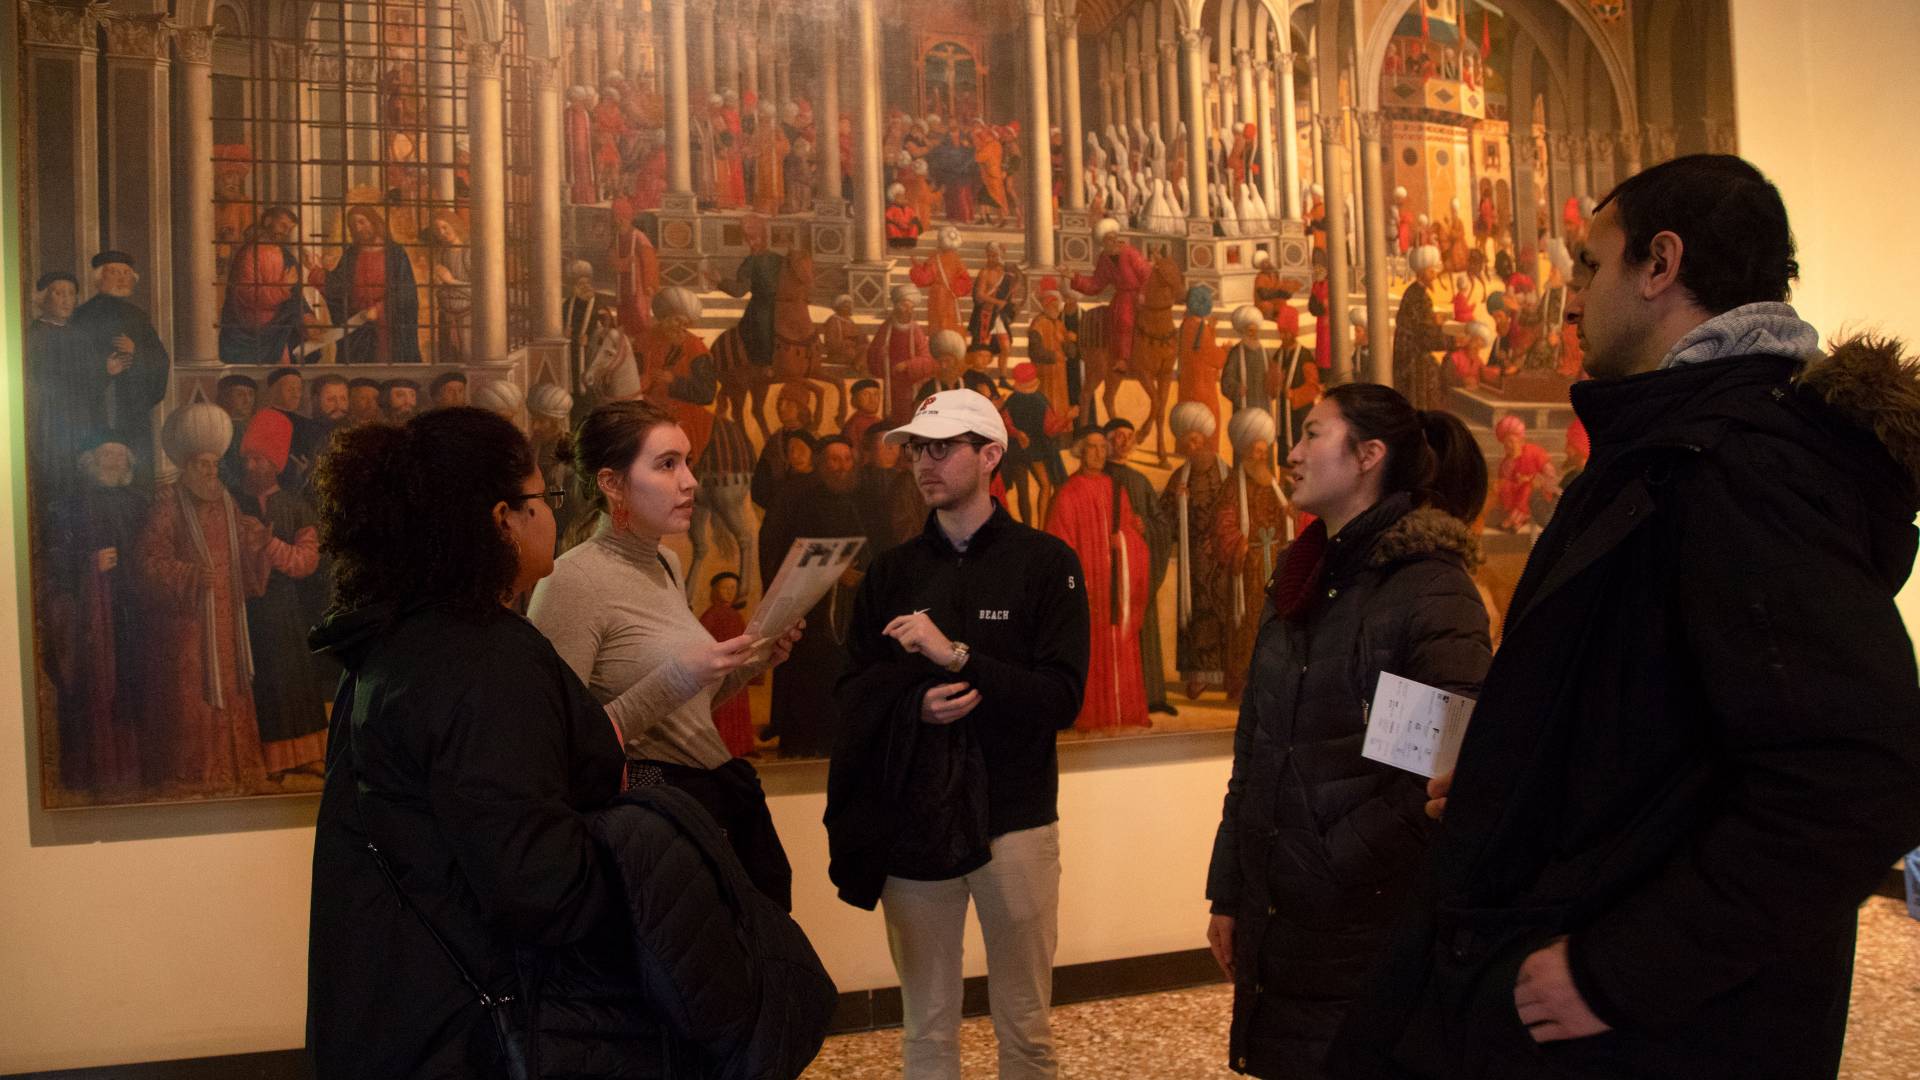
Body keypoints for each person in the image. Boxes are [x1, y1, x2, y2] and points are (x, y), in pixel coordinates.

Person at [1331, 155, 1920, 1080]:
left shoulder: (1742, 465)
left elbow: (1856, 775)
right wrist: (1511, 765)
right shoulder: (1669, 445)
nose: (1568, 298)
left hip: (1649, 1029)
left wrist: (1620, 973)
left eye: (1587, 265)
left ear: (1661, 266)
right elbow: (1662, 719)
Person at [1205, 385, 1492, 1080]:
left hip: (1366, 927)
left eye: (1311, 434)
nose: (1293, 454)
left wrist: (1322, 865)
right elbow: (1257, 750)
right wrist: (1230, 890)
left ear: (1369, 455)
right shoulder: (1301, 578)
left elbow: (1435, 777)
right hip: (1283, 918)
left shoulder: (1427, 590)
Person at [828, 388, 1090, 1080]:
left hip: (1016, 824)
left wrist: (960, 658)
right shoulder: (891, 574)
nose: (923, 462)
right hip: (916, 829)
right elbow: (851, 695)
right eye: (917, 448)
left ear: (991, 455)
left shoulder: (1047, 563)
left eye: (942, 447)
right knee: (928, 1032)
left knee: (1026, 1031)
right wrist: (914, 708)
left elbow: (1061, 698)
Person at [529, 400, 801, 907]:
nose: (690, 481)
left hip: (712, 806)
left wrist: (755, 663)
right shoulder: (571, 580)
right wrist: (676, 676)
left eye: (689, 462)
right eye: (667, 464)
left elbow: (684, 712)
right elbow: (560, 746)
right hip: (655, 828)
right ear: (612, 484)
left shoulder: (668, 565)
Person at [138, 403, 273, 798]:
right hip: (187, 621)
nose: (211, 471)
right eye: (202, 464)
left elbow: (240, 545)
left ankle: (233, 768)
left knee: (231, 688)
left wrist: (256, 543)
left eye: (215, 464)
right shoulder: (166, 502)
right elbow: (147, 560)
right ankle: (190, 773)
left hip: (227, 619)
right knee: (188, 692)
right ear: (186, 465)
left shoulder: (226, 501)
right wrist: (192, 575)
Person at [759, 435, 873, 759]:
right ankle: (802, 743)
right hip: (806, 609)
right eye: (834, 460)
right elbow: (776, 547)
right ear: (820, 463)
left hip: (846, 610)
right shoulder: (796, 497)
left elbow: (871, 547)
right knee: (806, 678)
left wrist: (860, 574)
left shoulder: (859, 498)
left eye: (846, 460)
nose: (841, 467)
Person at [45, 439, 148, 794]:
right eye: (107, 454)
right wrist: (90, 565)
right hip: (92, 613)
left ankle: (133, 773)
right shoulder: (70, 506)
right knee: (97, 687)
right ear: (89, 461)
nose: (115, 461)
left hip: (133, 608)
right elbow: (55, 564)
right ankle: (98, 773)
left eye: (121, 454)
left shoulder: (139, 503)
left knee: (133, 684)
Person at [231, 409, 327, 781]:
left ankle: (303, 756)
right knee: (261, 684)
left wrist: (268, 544)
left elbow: (307, 561)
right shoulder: (231, 503)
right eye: (248, 459)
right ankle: (264, 760)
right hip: (247, 611)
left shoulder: (297, 507)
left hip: (285, 610)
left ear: (276, 464)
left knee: (293, 682)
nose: (252, 466)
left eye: (259, 459)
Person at [1045, 426, 1150, 735]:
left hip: (1117, 589)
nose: (1098, 453)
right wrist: (1078, 589)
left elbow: (1131, 533)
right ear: (1079, 450)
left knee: (1119, 645)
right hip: (1089, 591)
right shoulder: (1068, 494)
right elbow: (1058, 550)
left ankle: (1124, 712)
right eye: (1091, 447)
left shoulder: (1117, 490)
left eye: (1103, 447)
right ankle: (1091, 716)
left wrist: (1127, 538)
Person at [71, 251, 171, 487]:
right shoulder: (82, 317)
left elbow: (160, 361)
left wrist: (136, 352)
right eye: (114, 272)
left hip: (131, 409)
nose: (122, 278)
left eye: (127, 273)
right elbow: (72, 366)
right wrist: (103, 370)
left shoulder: (138, 316)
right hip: (95, 409)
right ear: (98, 278)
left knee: (135, 474)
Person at [1213, 409, 1290, 701]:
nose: (1259, 457)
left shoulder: (1274, 484)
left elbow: (1287, 521)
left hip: (1275, 566)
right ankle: (1243, 686)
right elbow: (1223, 521)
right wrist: (1237, 543)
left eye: (1263, 452)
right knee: (1246, 627)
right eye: (1254, 451)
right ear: (1245, 451)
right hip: (1248, 568)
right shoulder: (1233, 484)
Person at [1103, 418, 1176, 717]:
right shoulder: (1100, 478)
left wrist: (1146, 527)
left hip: (1138, 569)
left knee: (1144, 628)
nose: (1123, 441)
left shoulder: (1139, 480)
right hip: (1108, 572)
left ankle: (1152, 695)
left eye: (1128, 436)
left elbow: (1161, 524)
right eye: (1117, 436)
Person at [1160, 401, 1230, 700]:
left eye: (1198, 439)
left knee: (1224, 610)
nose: (1194, 445)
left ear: (1206, 440)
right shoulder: (1180, 477)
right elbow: (1163, 518)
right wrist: (1178, 502)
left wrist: (1220, 539)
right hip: (1194, 560)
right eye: (1189, 440)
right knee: (1196, 612)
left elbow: (1235, 510)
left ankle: (1228, 673)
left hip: (1222, 554)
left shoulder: (1227, 472)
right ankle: (1198, 676)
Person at [320, 205, 422, 364]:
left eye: (362, 222)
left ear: (373, 222)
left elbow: (406, 293)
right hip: (358, 328)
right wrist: (317, 273)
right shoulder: (351, 254)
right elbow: (337, 290)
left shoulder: (395, 254)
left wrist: (380, 310)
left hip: (389, 328)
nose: (359, 228)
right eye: (354, 225)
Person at [220, 206, 310, 365]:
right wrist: (282, 289)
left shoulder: (286, 256)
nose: (286, 232)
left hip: (278, 332)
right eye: (283, 225)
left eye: (289, 229)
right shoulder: (248, 254)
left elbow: (296, 295)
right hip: (247, 334)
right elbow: (246, 294)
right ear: (268, 221)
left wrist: (307, 316)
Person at [688, 409, 758, 601]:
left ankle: (744, 588)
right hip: (701, 474)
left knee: (739, 531)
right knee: (698, 540)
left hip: (722, 470)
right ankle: (688, 594)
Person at [1071, 219, 1152, 372]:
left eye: (1114, 238)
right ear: (1103, 242)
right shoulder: (1104, 259)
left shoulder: (1130, 253)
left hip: (1140, 294)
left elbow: (1146, 273)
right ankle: (1119, 358)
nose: (1113, 241)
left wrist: (1143, 293)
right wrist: (1074, 278)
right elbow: (1095, 285)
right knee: (1119, 318)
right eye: (1109, 239)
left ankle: (1134, 358)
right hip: (1122, 298)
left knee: (1131, 319)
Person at [699, 571, 757, 758]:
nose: (729, 592)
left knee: (737, 708)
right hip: (719, 671)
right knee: (722, 708)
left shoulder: (736, 616)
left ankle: (740, 747)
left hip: (737, 669)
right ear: (715, 590)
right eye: (725, 588)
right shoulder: (710, 616)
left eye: (733, 588)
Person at [1001, 363, 1067, 526]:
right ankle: (1042, 526)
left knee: (1022, 492)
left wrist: (1018, 434)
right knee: (1046, 486)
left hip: (1016, 451)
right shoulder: (1040, 400)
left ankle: (1027, 527)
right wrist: (1069, 418)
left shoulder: (1011, 399)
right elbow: (1051, 429)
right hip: (1036, 451)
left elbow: (1004, 423)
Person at [869, 286, 936, 424]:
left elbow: (927, 358)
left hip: (910, 382)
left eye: (911, 307)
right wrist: (880, 354)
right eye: (905, 306)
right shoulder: (886, 328)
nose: (908, 310)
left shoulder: (916, 330)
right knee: (893, 415)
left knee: (909, 413)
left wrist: (907, 365)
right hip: (892, 380)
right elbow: (873, 352)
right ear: (896, 306)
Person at [1492, 414, 1557, 533]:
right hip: (1517, 494)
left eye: (1512, 442)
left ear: (1521, 440)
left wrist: (1531, 479)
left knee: (1528, 489)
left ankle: (1514, 521)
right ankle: (1515, 519)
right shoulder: (1506, 463)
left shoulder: (1535, 452)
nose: (1509, 446)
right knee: (1505, 486)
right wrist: (1500, 484)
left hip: (1539, 493)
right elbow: (1506, 480)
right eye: (1506, 444)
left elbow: (1550, 475)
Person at [967, 241, 1020, 381]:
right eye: (989, 256)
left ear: (1000, 256)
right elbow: (979, 295)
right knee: (982, 350)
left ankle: (1002, 378)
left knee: (1006, 347)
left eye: (994, 256)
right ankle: (979, 378)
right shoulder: (985, 273)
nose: (991, 259)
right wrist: (998, 302)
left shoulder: (1007, 274)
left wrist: (1012, 292)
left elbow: (1009, 294)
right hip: (985, 315)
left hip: (999, 317)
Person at [1027, 279, 1077, 424]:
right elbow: (1034, 352)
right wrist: (1055, 355)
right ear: (1045, 305)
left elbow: (1072, 353)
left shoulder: (1060, 325)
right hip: (1044, 375)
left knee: (1060, 407)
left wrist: (1069, 342)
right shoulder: (1038, 324)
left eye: (1056, 305)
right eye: (1052, 305)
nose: (1055, 308)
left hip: (1060, 377)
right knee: (1045, 408)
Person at [1176, 286, 1225, 432]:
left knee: (1187, 421)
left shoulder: (1186, 325)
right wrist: (1226, 351)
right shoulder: (1201, 331)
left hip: (1187, 382)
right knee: (1206, 421)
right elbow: (1216, 359)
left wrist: (1211, 329)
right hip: (1201, 384)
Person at [908, 226, 971, 338]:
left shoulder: (935, 258)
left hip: (937, 296)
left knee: (938, 325)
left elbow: (925, 279)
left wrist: (916, 267)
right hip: (950, 297)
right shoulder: (957, 259)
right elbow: (965, 281)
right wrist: (954, 291)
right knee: (950, 323)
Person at [562, 261, 607, 403]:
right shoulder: (568, 303)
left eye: (587, 283)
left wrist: (591, 336)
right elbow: (564, 322)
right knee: (572, 371)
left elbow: (605, 323)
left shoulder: (598, 302)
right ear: (575, 286)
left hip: (592, 344)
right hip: (573, 344)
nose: (585, 287)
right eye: (580, 284)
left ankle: (590, 398)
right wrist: (565, 332)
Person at [1220, 305, 1275, 420]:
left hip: (1262, 403)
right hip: (1244, 404)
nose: (1253, 334)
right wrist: (1237, 388)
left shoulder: (1264, 352)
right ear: (1243, 331)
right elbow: (1227, 379)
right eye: (1250, 330)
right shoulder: (1236, 353)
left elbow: (1273, 376)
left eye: (1255, 331)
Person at [886, 182, 924, 249]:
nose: (902, 199)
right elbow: (888, 218)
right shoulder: (891, 209)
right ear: (893, 199)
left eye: (902, 197)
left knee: (914, 227)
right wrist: (897, 224)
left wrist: (911, 223)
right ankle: (897, 245)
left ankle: (910, 244)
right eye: (899, 197)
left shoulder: (908, 209)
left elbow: (914, 218)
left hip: (907, 230)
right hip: (898, 230)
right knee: (891, 227)